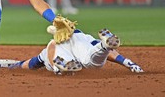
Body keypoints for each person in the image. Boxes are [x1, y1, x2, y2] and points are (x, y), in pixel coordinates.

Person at [10, 26, 144, 75]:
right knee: (93, 59)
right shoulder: (83, 36)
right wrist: (127, 62)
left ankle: (59, 67)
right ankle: (103, 46)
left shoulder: (54, 42)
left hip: (59, 53)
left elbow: (32, 64)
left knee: (50, 52)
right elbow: (111, 54)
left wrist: (15, 65)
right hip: (83, 48)